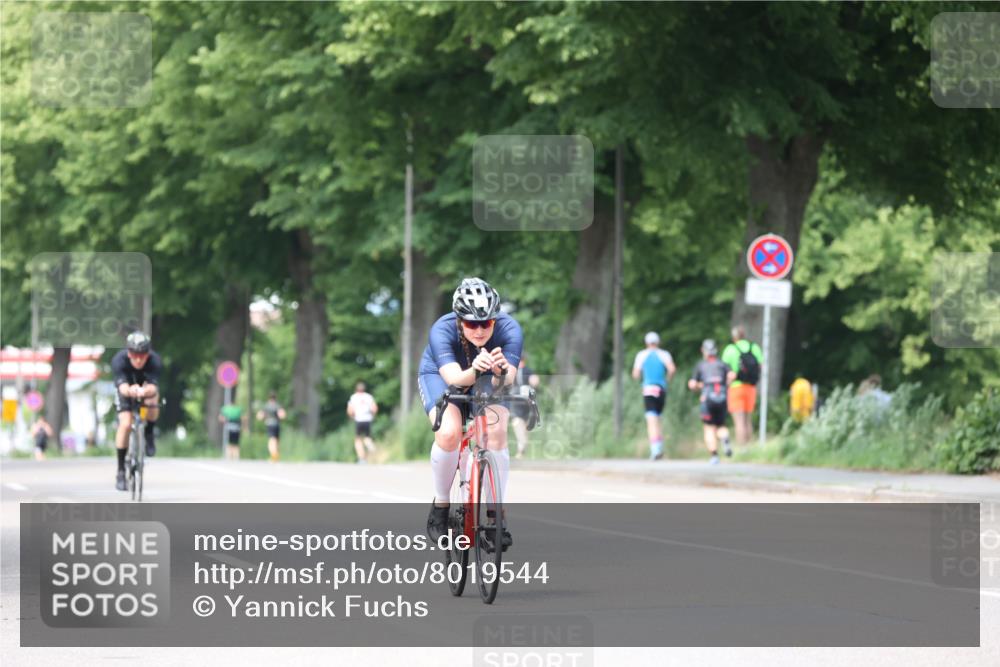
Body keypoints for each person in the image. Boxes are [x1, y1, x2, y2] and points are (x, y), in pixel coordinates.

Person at [419, 277, 521, 551]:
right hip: (443, 375)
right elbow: (454, 379)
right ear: (459, 320)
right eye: (471, 324)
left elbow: (508, 379)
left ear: (495, 321)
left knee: (496, 433)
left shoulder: (510, 329)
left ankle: (495, 515)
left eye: (486, 323)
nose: (479, 330)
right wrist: (475, 369)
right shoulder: (442, 329)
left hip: (487, 376)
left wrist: (500, 371)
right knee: (450, 433)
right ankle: (441, 504)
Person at [111, 331, 163, 491]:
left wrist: (145, 391)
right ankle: (120, 471)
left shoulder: (155, 361)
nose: (139, 359)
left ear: (148, 354)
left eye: (142, 355)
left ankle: (149, 432)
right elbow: (122, 387)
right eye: (135, 355)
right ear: (129, 353)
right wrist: (130, 390)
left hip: (145, 392)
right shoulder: (119, 361)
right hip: (127, 391)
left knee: (152, 401)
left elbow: (153, 387)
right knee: (125, 424)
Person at [631, 331, 676, 460]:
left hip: (649, 389)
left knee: (651, 420)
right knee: (658, 419)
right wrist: (667, 380)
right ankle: (659, 447)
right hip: (661, 389)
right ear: (658, 342)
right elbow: (672, 369)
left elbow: (635, 374)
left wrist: (640, 380)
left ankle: (655, 449)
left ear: (646, 343)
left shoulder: (642, 355)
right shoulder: (664, 354)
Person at [688, 339, 732, 465]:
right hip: (722, 398)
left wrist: (699, 386)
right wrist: (726, 385)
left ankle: (714, 455)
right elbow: (732, 375)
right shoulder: (722, 364)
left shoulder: (701, 365)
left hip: (707, 399)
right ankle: (724, 438)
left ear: (703, 351)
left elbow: (692, 384)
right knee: (721, 425)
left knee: (708, 428)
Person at [721, 325, 763, 445]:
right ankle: (750, 447)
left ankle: (741, 448)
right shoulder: (754, 347)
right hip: (751, 387)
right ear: (744, 335)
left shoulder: (730, 349)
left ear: (734, 337)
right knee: (748, 419)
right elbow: (760, 366)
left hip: (735, 387)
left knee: (739, 421)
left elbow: (724, 369)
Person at [510, 355, 539, 460]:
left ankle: (522, 449)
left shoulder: (527, 371)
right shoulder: (512, 372)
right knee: (518, 425)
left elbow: (535, 380)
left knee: (524, 428)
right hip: (517, 403)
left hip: (526, 402)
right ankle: (521, 448)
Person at [347, 382, 378, 463]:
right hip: (368, 419)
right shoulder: (368, 397)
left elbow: (350, 410)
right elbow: (374, 408)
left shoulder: (354, 397)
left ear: (356, 389)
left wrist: (352, 417)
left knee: (358, 440)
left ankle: (362, 459)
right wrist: (372, 416)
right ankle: (372, 449)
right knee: (367, 438)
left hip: (359, 419)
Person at [256, 392, 286, 462]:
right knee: (276, 440)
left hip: (269, 424)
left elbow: (259, 416)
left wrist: (263, 418)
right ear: (275, 398)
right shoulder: (277, 405)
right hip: (277, 424)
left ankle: (273, 455)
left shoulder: (266, 406)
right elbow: (283, 415)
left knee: (271, 440)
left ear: (269, 398)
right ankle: (276, 455)